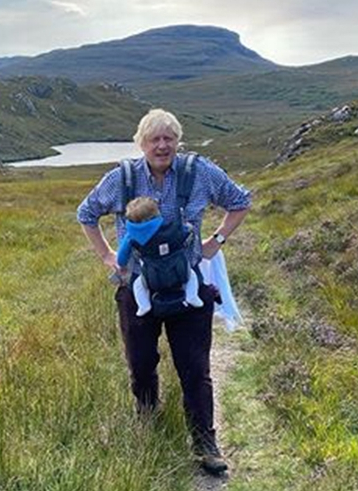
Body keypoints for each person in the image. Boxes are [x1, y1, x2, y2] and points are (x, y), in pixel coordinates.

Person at [77, 108, 251, 475]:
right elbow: (86, 213)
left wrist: (216, 241)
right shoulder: (121, 179)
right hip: (137, 287)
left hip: (187, 286)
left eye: (168, 138)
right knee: (140, 366)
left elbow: (240, 201)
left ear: (177, 141)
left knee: (195, 369)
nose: (162, 145)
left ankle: (205, 442)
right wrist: (108, 256)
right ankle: (148, 424)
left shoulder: (200, 172)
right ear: (142, 144)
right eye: (154, 139)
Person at [116, 196, 203, 317]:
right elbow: (187, 232)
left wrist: (120, 264)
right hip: (178, 269)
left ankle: (143, 305)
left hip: (151, 274)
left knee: (138, 285)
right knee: (191, 276)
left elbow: (121, 257)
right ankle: (192, 296)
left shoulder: (131, 236)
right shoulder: (170, 227)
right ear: (156, 214)